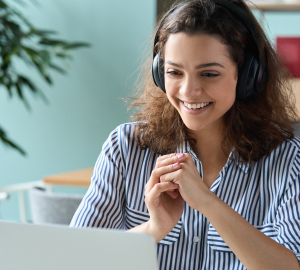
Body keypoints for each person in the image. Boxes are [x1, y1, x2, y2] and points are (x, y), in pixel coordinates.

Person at [70, 0, 300, 269]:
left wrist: (207, 202)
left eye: (209, 74)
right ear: (159, 73)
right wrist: (153, 229)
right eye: (174, 72)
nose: (189, 91)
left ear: (249, 76)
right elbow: (76, 258)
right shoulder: (125, 148)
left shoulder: (289, 160)